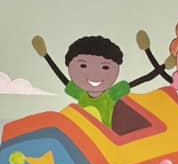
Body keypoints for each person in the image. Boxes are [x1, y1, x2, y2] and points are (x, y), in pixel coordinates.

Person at [31, 32, 165, 127]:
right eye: (83, 66)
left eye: (105, 67)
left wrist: (163, 65)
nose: (94, 74)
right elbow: (63, 79)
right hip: (83, 135)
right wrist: (46, 56)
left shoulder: (112, 93)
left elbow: (145, 79)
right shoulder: (81, 94)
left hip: (106, 139)